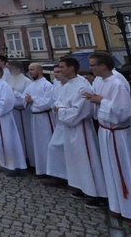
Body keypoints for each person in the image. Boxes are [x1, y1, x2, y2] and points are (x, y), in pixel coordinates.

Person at [85, 51, 131, 229]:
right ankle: (118, 204)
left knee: (129, 171)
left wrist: (101, 101)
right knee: (111, 170)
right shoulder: (99, 81)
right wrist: (95, 101)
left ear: (103, 66)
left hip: (119, 133)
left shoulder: (117, 83)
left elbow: (124, 112)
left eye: (93, 64)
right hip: (106, 131)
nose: (90, 68)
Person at [55, 57, 108, 209]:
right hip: (69, 126)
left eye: (62, 67)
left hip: (81, 127)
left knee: (88, 159)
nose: (60, 70)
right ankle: (82, 186)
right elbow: (58, 102)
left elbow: (80, 110)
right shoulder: (67, 85)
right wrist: (61, 108)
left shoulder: (82, 86)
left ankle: (98, 193)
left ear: (71, 68)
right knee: (75, 158)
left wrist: (62, 110)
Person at [0, 66, 27, 176]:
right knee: (0, 141)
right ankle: (4, 164)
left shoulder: (5, 85)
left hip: (4, 117)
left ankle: (14, 166)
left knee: (8, 140)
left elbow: (8, 101)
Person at [24, 63, 54, 177]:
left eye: (32, 70)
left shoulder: (47, 85)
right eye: (29, 70)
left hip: (45, 118)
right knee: (37, 144)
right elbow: (25, 99)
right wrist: (26, 100)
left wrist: (32, 99)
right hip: (34, 117)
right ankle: (40, 168)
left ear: (40, 71)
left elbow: (48, 102)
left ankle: (51, 171)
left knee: (46, 143)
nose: (30, 72)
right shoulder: (30, 85)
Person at [5, 60, 33, 167]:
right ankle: (18, 159)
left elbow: (27, 97)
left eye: (11, 68)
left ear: (18, 69)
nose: (9, 71)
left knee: (26, 136)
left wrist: (14, 92)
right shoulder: (8, 79)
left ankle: (29, 158)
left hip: (23, 112)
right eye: (8, 69)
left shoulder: (27, 81)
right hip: (13, 112)